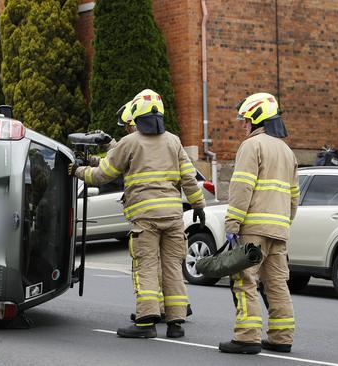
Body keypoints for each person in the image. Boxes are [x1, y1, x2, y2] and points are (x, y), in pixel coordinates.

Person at [69, 89, 206, 339]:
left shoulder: (130, 142)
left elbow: (105, 174)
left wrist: (78, 170)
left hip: (146, 220)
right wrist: (198, 206)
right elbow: (189, 177)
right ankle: (175, 324)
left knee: (146, 268)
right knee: (173, 270)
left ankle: (146, 322)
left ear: (136, 116)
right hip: (174, 218)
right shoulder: (174, 141)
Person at [218, 92, 298, 355]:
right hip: (279, 230)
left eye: (245, 119)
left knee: (245, 280)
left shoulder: (252, 146)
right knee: (276, 284)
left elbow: (241, 188)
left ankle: (247, 337)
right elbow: (294, 197)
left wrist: (232, 224)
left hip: (253, 228)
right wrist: (284, 224)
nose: (243, 125)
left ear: (256, 118)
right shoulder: (287, 151)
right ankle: (281, 337)